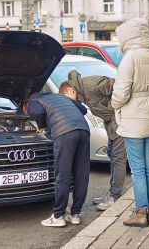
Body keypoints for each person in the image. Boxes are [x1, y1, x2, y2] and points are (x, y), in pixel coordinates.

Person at [111, 18, 149, 227]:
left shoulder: (130, 57)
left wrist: (115, 103)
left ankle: (140, 212)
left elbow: (121, 93)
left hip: (133, 120)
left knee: (136, 169)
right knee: (148, 167)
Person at [61, 71, 127, 211]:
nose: (71, 103)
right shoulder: (82, 93)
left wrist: (116, 110)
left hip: (122, 121)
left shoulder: (91, 84)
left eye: (68, 99)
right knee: (112, 154)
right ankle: (112, 192)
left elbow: (120, 87)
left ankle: (115, 196)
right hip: (112, 124)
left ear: (70, 90)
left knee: (118, 158)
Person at [23, 91, 90, 227]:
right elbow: (83, 109)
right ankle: (75, 214)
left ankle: (59, 216)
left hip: (64, 131)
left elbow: (38, 113)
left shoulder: (32, 101)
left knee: (62, 175)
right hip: (83, 130)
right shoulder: (60, 97)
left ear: (25, 105)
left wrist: (41, 126)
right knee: (81, 175)